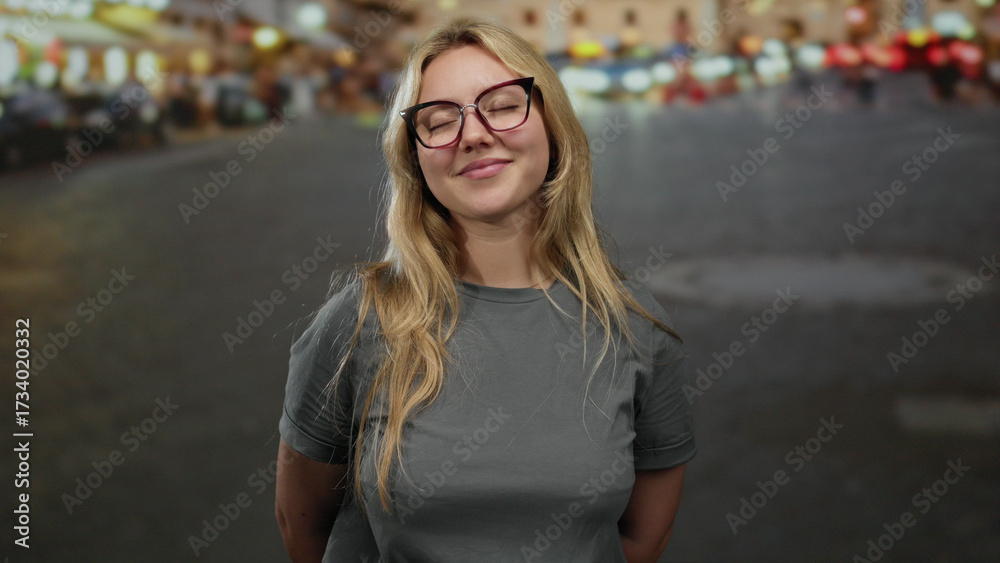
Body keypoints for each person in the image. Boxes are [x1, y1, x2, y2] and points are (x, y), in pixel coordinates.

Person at [274, 16, 696, 562]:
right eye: (439, 120)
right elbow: (302, 523)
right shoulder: (358, 322)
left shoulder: (635, 328)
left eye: (501, 106)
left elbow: (642, 539)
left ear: (553, 126)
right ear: (415, 157)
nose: (473, 134)